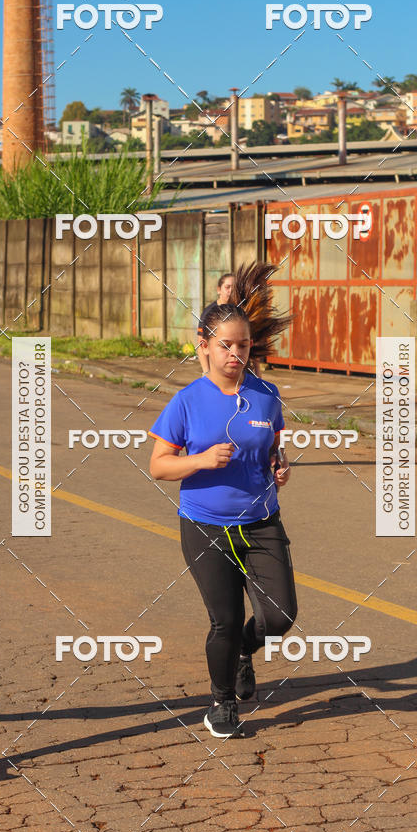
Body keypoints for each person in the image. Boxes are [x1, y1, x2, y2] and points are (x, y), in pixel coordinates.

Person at [149, 279, 296, 739]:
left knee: (280, 616)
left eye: (244, 345)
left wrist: (279, 466)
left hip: (261, 521)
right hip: (205, 525)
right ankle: (221, 703)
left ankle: (242, 654)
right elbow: (158, 466)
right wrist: (200, 459)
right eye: (226, 345)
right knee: (225, 620)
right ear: (205, 346)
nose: (236, 353)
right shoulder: (187, 401)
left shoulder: (266, 395)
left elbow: (273, 446)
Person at [196, 273, 235, 374]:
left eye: (234, 288)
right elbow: (201, 342)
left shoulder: (239, 311)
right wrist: (206, 371)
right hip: (215, 369)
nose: (231, 291)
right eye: (227, 287)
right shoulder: (209, 312)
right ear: (219, 290)